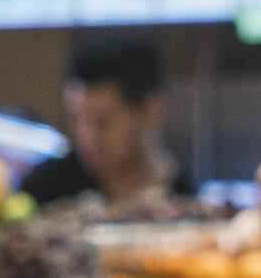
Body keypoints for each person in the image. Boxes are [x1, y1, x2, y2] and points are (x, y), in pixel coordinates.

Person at [19, 37, 175, 210]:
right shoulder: (43, 192)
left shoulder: (179, 198)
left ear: (151, 112)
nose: (87, 137)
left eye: (103, 121)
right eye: (76, 119)